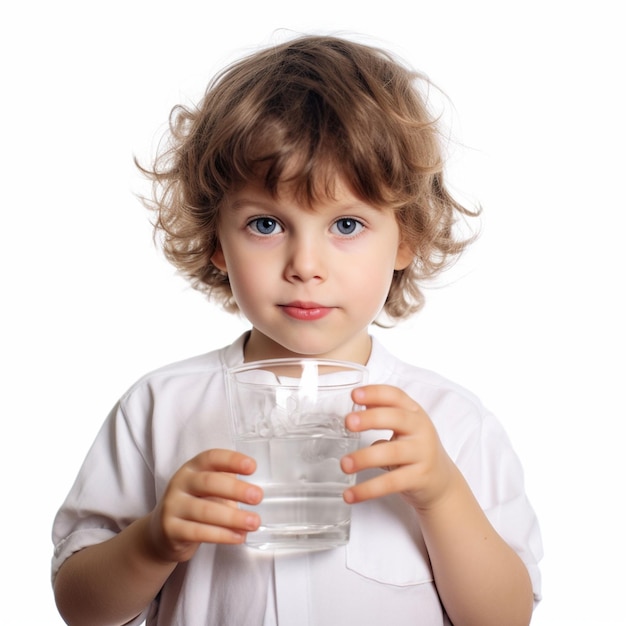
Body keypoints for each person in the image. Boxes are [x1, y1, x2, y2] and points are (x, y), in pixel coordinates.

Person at [51, 34, 542, 626]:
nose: (305, 264)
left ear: (405, 237)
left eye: (346, 223)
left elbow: (506, 618)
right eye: (265, 223)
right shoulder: (159, 408)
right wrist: (154, 542)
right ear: (215, 241)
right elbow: (79, 606)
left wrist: (440, 495)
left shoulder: (452, 423)